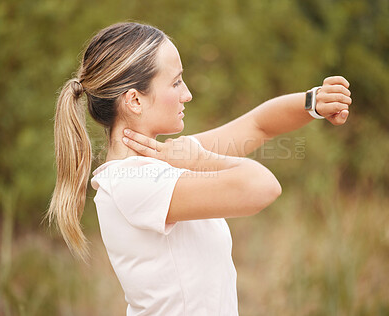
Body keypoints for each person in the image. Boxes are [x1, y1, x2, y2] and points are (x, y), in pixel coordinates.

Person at [46, 22, 352, 315]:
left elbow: (258, 126)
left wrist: (314, 102)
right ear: (135, 100)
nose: (187, 93)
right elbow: (263, 187)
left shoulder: (163, 160)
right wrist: (199, 161)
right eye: (176, 82)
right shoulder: (132, 182)